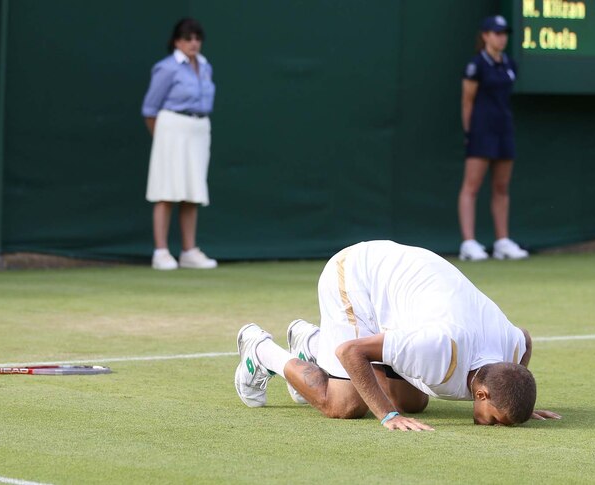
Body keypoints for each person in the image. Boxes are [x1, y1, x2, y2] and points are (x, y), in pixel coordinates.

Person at [234, 240, 560, 430]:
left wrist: (516, 404)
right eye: (497, 420)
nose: (494, 426)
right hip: (355, 276)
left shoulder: (511, 348)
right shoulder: (438, 348)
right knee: (346, 405)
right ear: (482, 395)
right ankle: (261, 351)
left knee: (413, 402)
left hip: (400, 291)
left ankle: (312, 344)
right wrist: (387, 415)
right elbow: (351, 351)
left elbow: (525, 340)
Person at [141, 18, 217, 270]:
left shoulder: (205, 67)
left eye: (197, 38)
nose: (193, 43)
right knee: (167, 190)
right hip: (171, 129)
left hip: (199, 129)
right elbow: (150, 109)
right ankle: (161, 252)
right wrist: (161, 138)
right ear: (177, 42)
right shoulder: (166, 68)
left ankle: (188, 251)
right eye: (188, 38)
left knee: (192, 192)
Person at [458, 15, 528, 261]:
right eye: (496, 33)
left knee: (501, 187)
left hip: (504, 130)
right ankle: (468, 243)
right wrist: (469, 132)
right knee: (472, 187)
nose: (502, 38)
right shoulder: (476, 66)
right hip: (481, 132)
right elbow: (467, 102)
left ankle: (502, 241)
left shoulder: (510, 64)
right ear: (485, 35)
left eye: (504, 33)